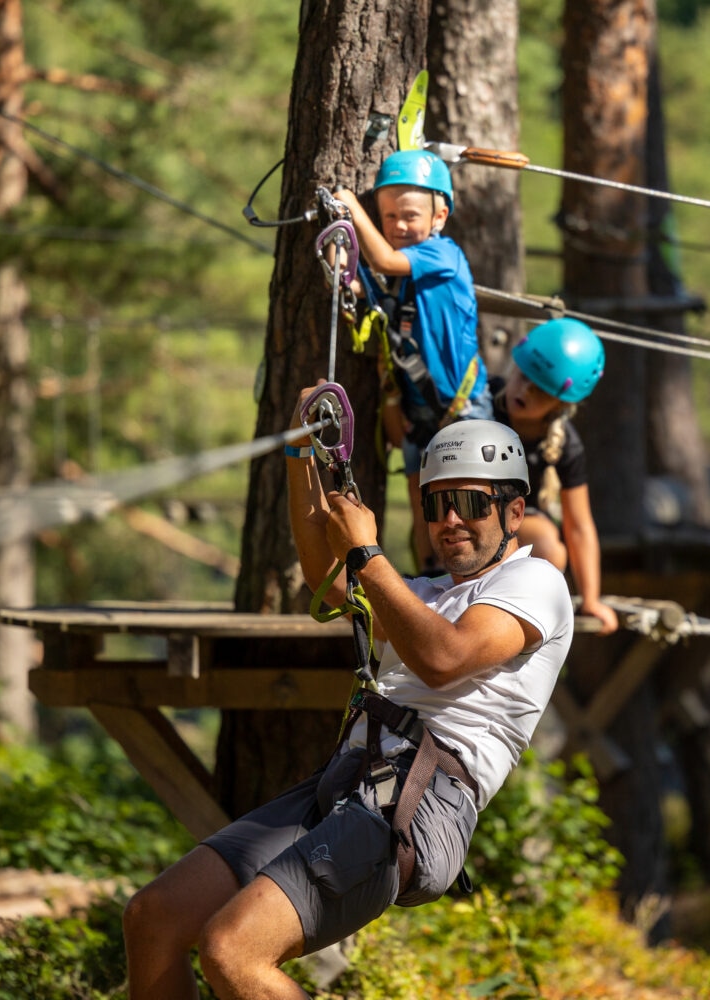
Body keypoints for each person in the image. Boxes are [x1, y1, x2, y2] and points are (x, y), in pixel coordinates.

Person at [121, 396, 573, 1000]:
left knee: (233, 952)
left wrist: (368, 552)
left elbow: (444, 660)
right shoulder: (426, 592)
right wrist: (300, 448)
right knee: (153, 919)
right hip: (351, 780)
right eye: (438, 503)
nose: (451, 520)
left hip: (420, 800)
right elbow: (326, 579)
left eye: (472, 503)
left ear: (515, 511)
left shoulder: (536, 581)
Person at [332, 149, 491, 575]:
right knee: (425, 509)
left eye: (410, 215)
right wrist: (341, 254)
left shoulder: (444, 256)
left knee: (466, 501)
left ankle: (475, 578)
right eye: (388, 217)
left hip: (461, 407)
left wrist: (350, 203)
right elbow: (363, 281)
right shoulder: (400, 281)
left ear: (439, 216)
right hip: (419, 411)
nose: (400, 226)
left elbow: (383, 258)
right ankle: (431, 577)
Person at [491, 317, 618, 635]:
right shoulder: (480, 402)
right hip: (463, 510)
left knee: (551, 547)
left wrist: (591, 599)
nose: (524, 392)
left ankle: (514, 621)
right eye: (523, 377)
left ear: (560, 403)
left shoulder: (566, 445)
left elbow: (579, 525)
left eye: (540, 391)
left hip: (515, 524)